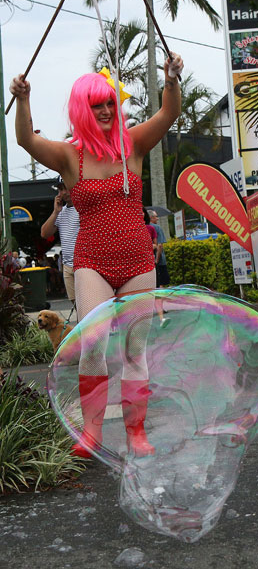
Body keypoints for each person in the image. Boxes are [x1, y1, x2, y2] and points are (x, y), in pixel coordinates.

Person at [10, 54, 183, 458]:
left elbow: (169, 112)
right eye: (96, 105)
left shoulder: (134, 143)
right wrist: (22, 99)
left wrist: (172, 79)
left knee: (135, 349)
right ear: (82, 111)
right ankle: (91, 434)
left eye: (110, 102)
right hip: (92, 263)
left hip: (139, 262)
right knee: (93, 343)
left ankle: (137, 433)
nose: (106, 110)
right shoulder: (71, 156)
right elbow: (25, 140)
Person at [40, 179, 80, 307]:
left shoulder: (83, 209)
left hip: (84, 264)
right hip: (67, 266)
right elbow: (44, 233)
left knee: (87, 304)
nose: (64, 192)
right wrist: (56, 211)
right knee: (75, 305)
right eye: (60, 189)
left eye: (66, 187)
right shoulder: (61, 213)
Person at [148, 209, 171, 287]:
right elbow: (160, 245)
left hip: (148, 261)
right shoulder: (157, 228)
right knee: (161, 283)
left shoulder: (143, 227)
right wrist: (157, 260)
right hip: (159, 261)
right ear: (151, 217)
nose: (157, 218)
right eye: (156, 217)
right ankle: (160, 299)